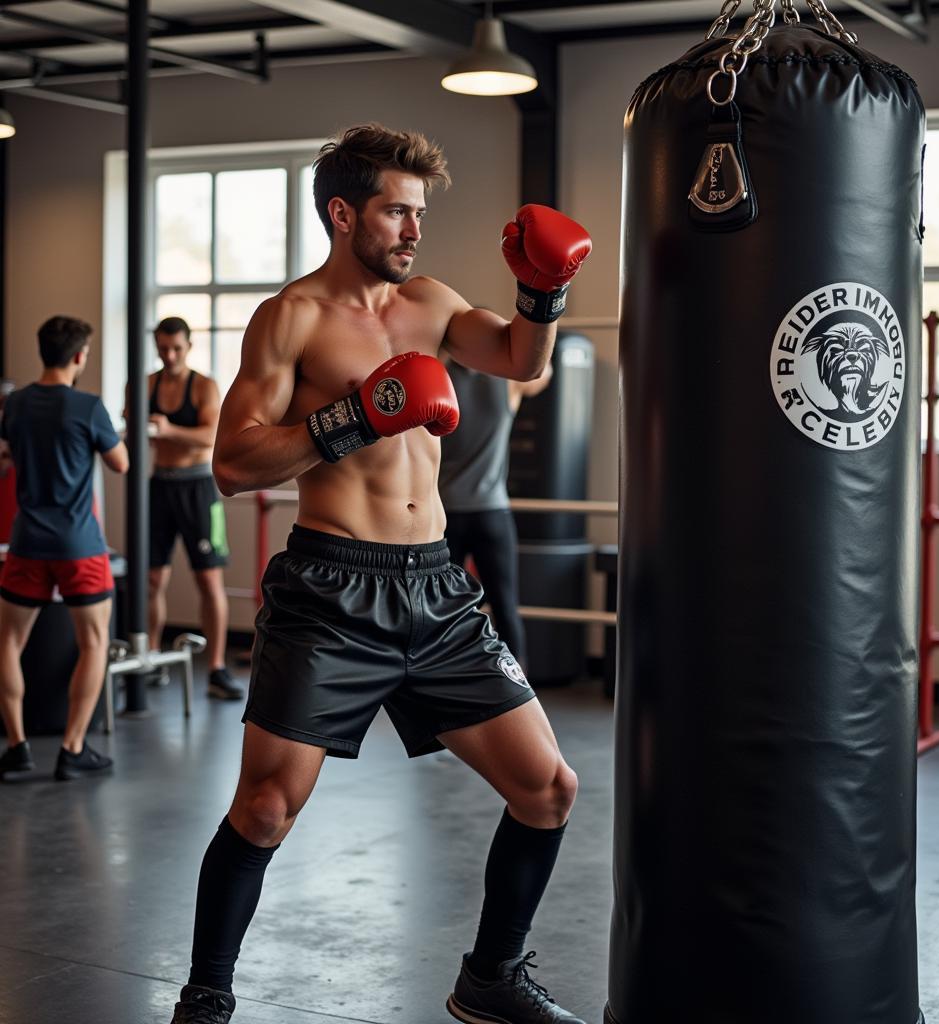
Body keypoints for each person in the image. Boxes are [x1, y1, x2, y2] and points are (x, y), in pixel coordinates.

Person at [169, 123, 592, 1024]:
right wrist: (354, 415)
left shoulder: (432, 301)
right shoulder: (293, 317)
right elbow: (235, 465)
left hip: (437, 589)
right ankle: (207, 994)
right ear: (342, 212)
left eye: (418, 214)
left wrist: (542, 293)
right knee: (266, 807)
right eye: (397, 212)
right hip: (331, 592)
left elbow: (522, 361)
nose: (412, 230)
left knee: (548, 788)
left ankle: (491, 977)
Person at [0, 315, 128, 781]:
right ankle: (72, 748)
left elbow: (8, 453)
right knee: (93, 642)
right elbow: (121, 463)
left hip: (27, 541)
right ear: (78, 356)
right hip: (79, 544)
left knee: (8, 643)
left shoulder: (13, 405)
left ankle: (17, 747)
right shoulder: (88, 407)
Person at [145, 317, 243, 700]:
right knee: (153, 579)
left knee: (209, 580)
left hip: (198, 488)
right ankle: (151, 656)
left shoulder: (204, 385)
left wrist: (167, 431)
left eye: (176, 349)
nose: (169, 356)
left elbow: (209, 436)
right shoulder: (145, 384)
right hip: (159, 486)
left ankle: (216, 667)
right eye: (163, 348)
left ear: (188, 346)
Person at [439, 357, 552, 672]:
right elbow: (541, 372)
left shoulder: (439, 379)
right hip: (492, 512)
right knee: (505, 606)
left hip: (446, 513)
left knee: (447, 610)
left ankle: (448, 680)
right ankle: (519, 686)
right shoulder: (508, 382)